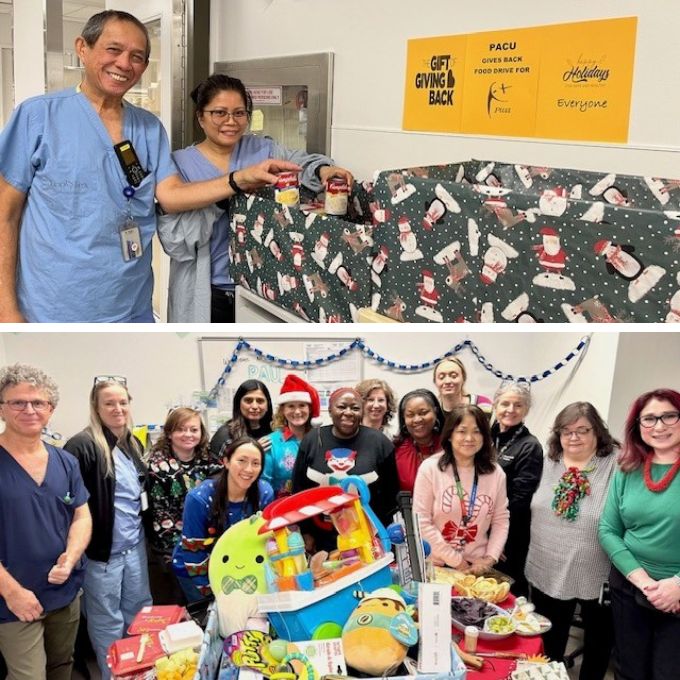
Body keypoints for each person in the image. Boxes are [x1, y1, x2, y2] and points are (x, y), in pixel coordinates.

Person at [0, 11, 300, 323]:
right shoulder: (38, 118)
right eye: (113, 50)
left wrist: (240, 179)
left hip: (131, 304)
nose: (124, 64)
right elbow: (4, 214)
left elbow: (170, 195)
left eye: (137, 57)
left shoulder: (148, 128)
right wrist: (6, 308)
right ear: (82, 48)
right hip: (53, 307)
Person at [157, 73, 355, 322]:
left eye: (239, 113)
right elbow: (176, 242)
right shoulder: (179, 165)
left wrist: (324, 170)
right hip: (209, 291)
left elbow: (299, 163)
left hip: (262, 291)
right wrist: (228, 193)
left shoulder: (262, 150)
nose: (231, 121)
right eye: (219, 112)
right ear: (200, 117)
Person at [0, 364, 91, 680]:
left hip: (64, 592)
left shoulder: (65, 461)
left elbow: (81, 514)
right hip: (12, 599)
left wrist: (72, 556)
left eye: (38, 403)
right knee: (29, 676)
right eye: (17, 402)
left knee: (61, 666)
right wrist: (11, 591)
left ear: (50, 409)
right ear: (2, 408)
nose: (29, 410)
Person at [64, 376, 150, 680]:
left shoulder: (132, 442)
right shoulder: (83, 446)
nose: (117, 409)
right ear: (96, 408)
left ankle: (141, 671)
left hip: (133, 548)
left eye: (122, 402)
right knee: (107, 622)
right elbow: (68, 503)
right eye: (109, 403)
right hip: (103, 556)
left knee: (140, 616)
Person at [525, 402, 617, 679]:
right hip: (546, 564)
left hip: (595, 571)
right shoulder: (549, 460)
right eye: (566, 431)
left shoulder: (616, 464)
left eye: (582, 430)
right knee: (547, 639)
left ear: (597, 432)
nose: (573, 437)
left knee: (598, 644)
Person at [599, 389, 680, 680]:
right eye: (649, 419)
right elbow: (608, 529)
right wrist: (643, 582)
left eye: (669, 416)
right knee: (629, 670)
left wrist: (677, 585)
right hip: (629, 587)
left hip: (678, 594)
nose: (659, 426)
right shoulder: (627, 467)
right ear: (638, 426)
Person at [291, 387, 399, 553]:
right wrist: (305, 532)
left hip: (369, 537)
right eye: (341, 407)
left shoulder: (379, 443)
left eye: (355, 408)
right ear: (330, 409)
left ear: (362, 411)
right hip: (322, 538)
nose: (348, 412)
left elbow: (391, 496)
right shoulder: (312, 440)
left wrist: (382, 533)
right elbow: (299, 490)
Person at [172, 437, 274, 601]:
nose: (249, 469)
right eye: (241, 461)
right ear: (226, 462)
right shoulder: (199, 499)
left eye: (256, 463)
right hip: (196, 569)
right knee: (212, 617)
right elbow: (194, 552)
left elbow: (264, 539)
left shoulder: (264, 493)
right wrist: (213, 594)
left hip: (238, 565)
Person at [413, 404, 509, 574]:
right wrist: (457, 562)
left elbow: (501, 520)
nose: (469, 438)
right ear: (449, 435)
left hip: (478, 567)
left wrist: (490, 558)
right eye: (462, 431)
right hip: (437, 566)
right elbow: (421, 521)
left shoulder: (496, 473)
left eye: (477, 431)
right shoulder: (430, 468)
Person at [147, 407, 222, 602]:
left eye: (194, 429)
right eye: (181, 429)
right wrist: (175, 552)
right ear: (170, 433)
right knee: (184, 604)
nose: (188, 434)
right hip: (174, 548)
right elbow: (159, 512)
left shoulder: (210, 460)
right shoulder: (157, 466)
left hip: (209, 543)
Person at [490, 381, 543, 595]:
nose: (511, 410)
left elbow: (520, 499)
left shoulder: (530, 446)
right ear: (495, 405)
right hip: (480, 526)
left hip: (510, 531)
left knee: (507, 588)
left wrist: (498, 537)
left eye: (518, 405)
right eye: (505, 404)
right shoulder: (484, 436)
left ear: (526, 410)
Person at [264, 375, 321, 497]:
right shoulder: (271, 443)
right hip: (282, 509)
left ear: (310, 409)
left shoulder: (321, 439)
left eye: (302, 405)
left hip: (317, 508)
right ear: (282, 410)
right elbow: (264, 485)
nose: (297, 411)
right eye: (291, 406)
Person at [393, 388, 445, 493]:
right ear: (404, 419)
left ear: (435, 412)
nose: (417, 419)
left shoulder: (451, 445)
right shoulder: (395, 451)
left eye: (423, 413)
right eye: (410, 415)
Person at [209, 380, 273, 458]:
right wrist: (252, 452)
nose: (255, 406)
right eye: (248, 401)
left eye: (260, 401)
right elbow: (213, 469)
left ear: (268, 404)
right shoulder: (225, 435)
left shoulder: (275, 432)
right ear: (238, 403)